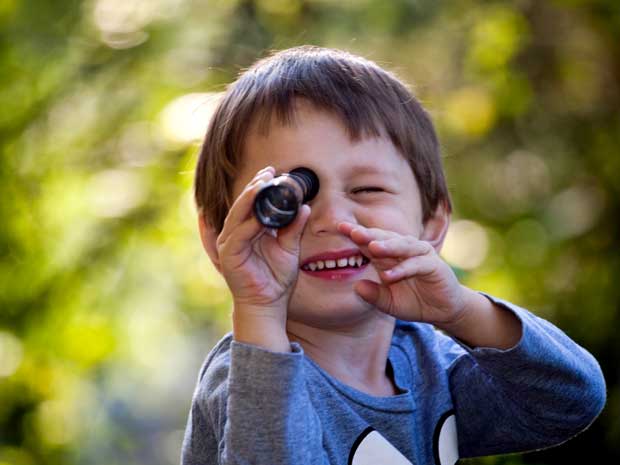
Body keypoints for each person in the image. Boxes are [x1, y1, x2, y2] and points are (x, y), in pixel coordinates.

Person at [180, 46, 606, 465]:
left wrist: (461, 311)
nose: (330, 218)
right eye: (290, 196)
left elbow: (570, 401)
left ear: (433, 223)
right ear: (219, 237)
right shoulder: (244, 384)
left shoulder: (427, 363)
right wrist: (258, 309)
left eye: (368, 189)